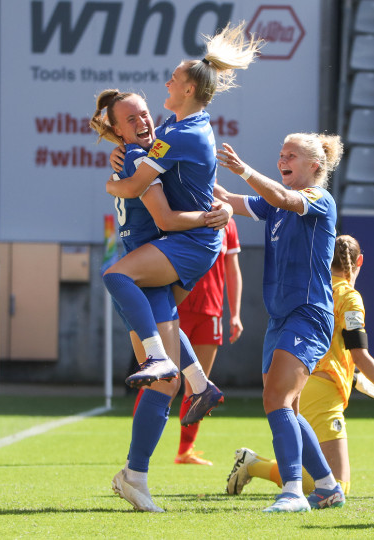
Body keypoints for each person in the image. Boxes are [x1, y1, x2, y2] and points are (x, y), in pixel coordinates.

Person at [212, 132, 374, 512]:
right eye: (281, 154)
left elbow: (284, 197)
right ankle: (329, 486)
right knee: (288, 407)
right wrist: (184, 173)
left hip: (308, 314)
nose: (283, 159)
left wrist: (244, 169)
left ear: (315, 167)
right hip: (281, 317)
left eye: (292, 156)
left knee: (277, 400)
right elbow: (227, 200)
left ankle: (292, 493)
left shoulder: (319, 198)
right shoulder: (274, 205)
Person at [102, 22, 262, 398]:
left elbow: (143, 193)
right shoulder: (178, 126)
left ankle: (161, 362)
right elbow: (164, 162)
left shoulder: (177, 134)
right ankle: (200, 386)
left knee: (116, 278)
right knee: (162, 318)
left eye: (173, 78)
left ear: (189, 89)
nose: (167, 84)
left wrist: (110, 183)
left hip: (188, 239)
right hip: (185, 238)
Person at [90, 89, 228, 512]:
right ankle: (135, 473)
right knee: (163, 378)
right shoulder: (135, 159)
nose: (143, 122)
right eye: (131, 119)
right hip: (142, 269)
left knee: (166, 382)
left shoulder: (145, 154)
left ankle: (135, 474)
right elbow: (166, 216)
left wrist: (220, 203)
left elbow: (190, 178)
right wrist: (212, 214)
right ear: (116, 128)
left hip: (148, 269)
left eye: (145, 114)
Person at [225, 234, 374, 495]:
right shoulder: (349, 298)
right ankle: (253, 465)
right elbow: (360, 354)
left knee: (320, 475)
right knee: (336, 486)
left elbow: (323, 344)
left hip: (296, 380)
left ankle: (255, 465)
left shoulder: (309, 288)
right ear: (360, 262)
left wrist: (352, 377)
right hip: (322, 393)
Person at [174, 217, 243, 466]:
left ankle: (185, 450)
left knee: (198, 384)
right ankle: (138, 448)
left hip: (211, 311)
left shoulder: (229, 220)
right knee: (162, 381)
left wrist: (235, 313)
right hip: (177, 306)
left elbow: (232, 269)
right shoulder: (182, 208)